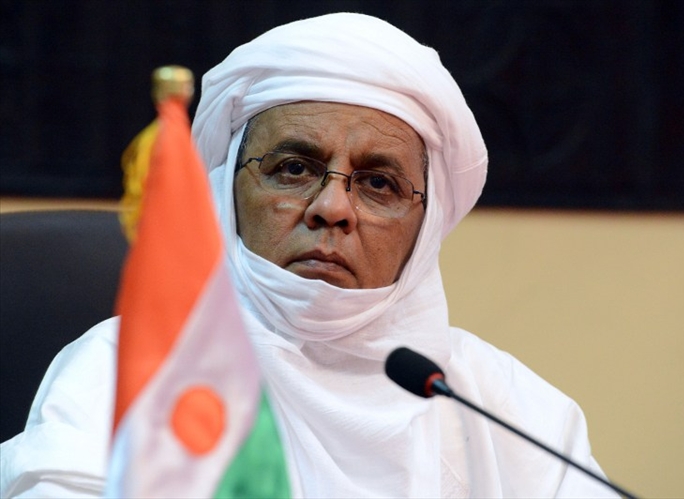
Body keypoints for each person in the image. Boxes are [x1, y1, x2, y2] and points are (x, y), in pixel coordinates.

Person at [0, 13, 617, 498]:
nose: (332, 208)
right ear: (229, 190)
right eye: (294, 168)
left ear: (425, 225)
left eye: (378, 183)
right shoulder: (125, 371)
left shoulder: (503, 407)